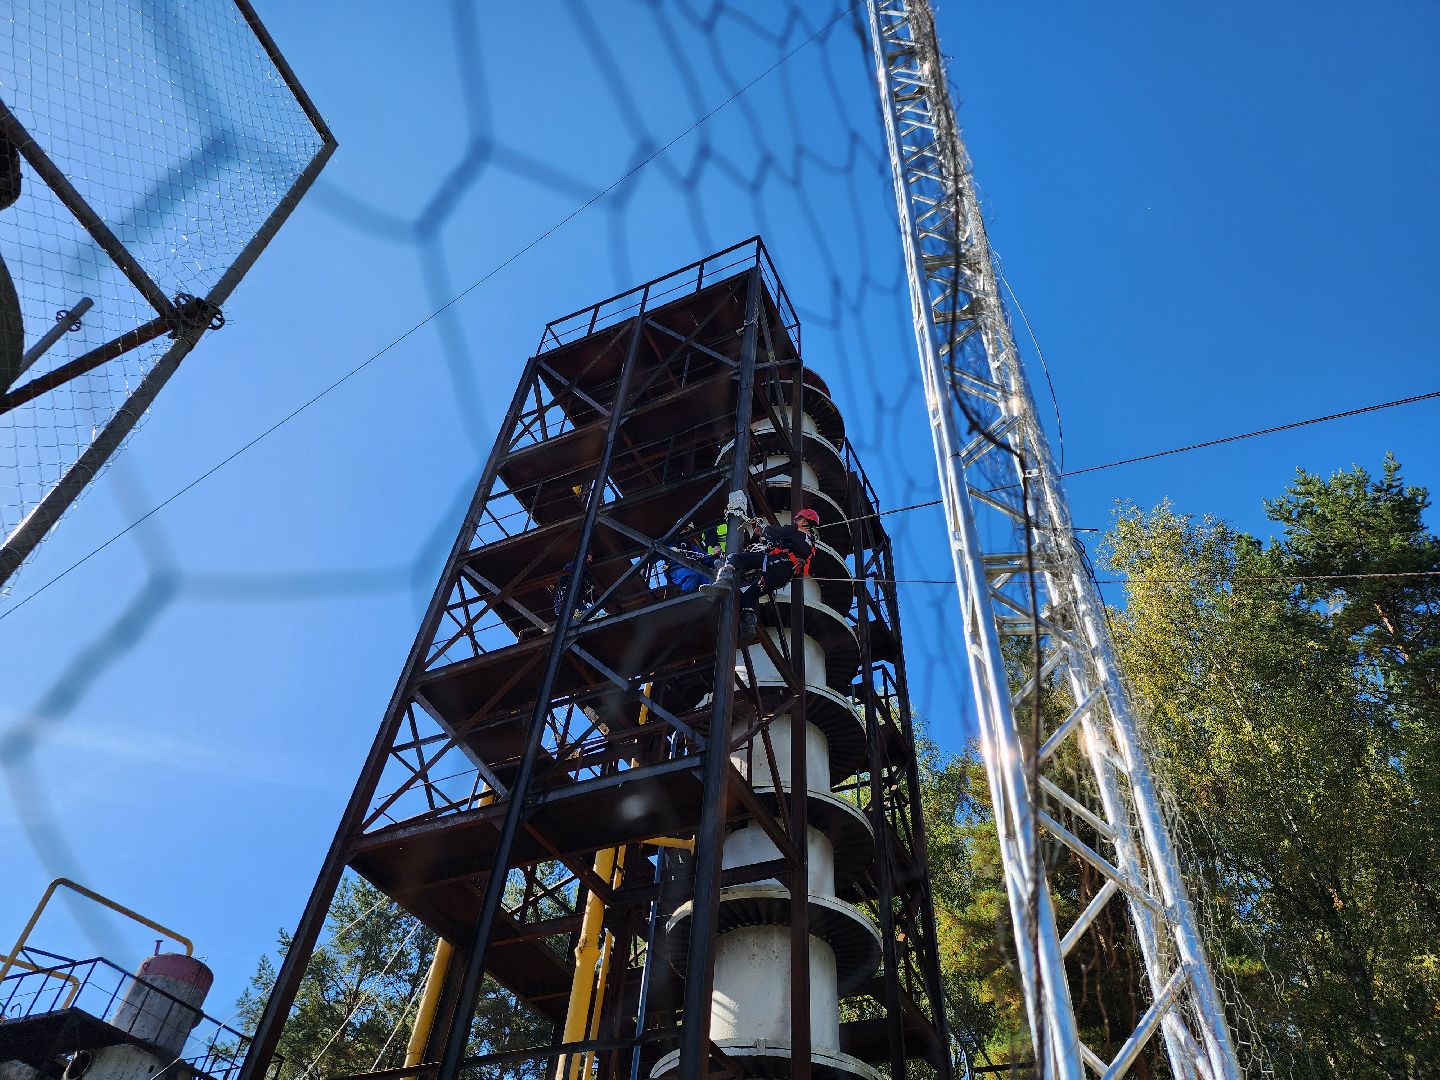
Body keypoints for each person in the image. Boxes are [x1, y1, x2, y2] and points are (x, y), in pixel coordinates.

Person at [700, 508, 819, 637]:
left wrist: (762, 529)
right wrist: (757, 535)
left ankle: (723, 582)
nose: (797, 522)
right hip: (785, 575)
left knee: (734, 558)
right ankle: (748, 624)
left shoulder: (794, 530)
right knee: (751, 594)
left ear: (803, 520)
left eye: (798, 519)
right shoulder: (811, 544)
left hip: (776, 563)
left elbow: (772, 533)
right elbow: (777, 545)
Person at [553, 552, 595, 621]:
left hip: (576, 599)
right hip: (568, 598)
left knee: (585, 614)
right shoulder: (572, 566)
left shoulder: (585, 570)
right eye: (589, 558)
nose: (590, 560)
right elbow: (563, 579)